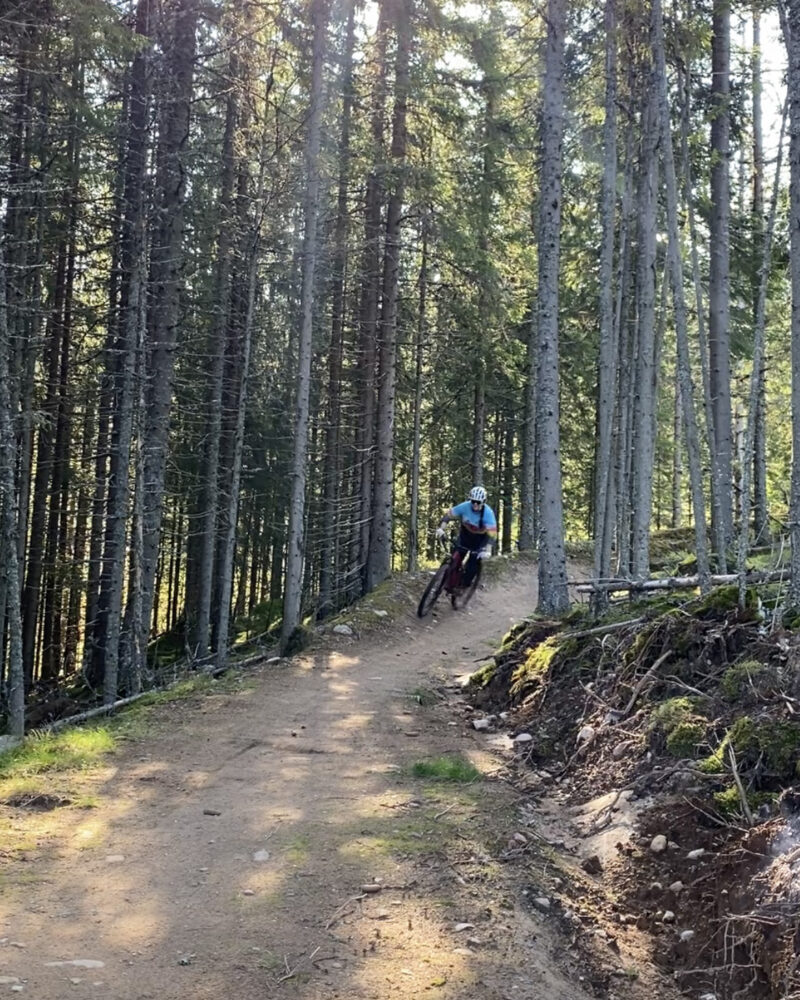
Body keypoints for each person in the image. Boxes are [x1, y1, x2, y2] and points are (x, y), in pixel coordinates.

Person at [435, 486, 498, 589]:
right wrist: (441, 528)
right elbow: (448, 516)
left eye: (478, 502)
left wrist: (487, 550)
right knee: (454, 559)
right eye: (473, 501)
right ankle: (447, 583)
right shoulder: (465, 507)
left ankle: (464, 585)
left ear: (483, 502)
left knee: (472, 565)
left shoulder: (488, 513)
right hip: (466, 536)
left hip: (480, 540)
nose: (475, 504)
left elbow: (492, 533)